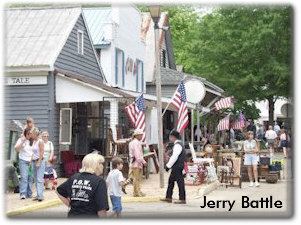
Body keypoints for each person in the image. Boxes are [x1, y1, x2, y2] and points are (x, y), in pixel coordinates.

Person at [57, 153, 109, 217]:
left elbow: (59, 191)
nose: (103, 166)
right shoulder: (99, 182)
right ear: (96, 165)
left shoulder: (74, 177)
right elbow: (101, 209)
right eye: (101, 164)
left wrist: (71, 205)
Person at [161, 130, 186, 204]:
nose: (169, 138)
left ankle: (182, 198)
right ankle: (168, 197)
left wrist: (168, 166)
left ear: (173, 137)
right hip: (177, 166)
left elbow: (174, 156)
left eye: (170, 137)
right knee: (171, 181)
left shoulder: (177, 145)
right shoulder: (179, 144)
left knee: (180, 182)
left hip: (177, 166)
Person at [14, 128, 33, 199]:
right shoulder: (21, 140)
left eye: (31, 134)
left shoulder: (33, 141)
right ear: (25, 134)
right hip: (23, 161)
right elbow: (16, 149)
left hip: (31, 161)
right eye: (28, 134)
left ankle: (29, 194)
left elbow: (34, 152)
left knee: (30, 178)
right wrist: (22, 141)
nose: (29, 135)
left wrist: (32, 160)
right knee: (24, 177)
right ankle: (23, 194)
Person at [128, 129, 147, 197]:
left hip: (135, 162)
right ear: (137, 135)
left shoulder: (133, 142)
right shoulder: (136, 143)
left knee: (137, 178)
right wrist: (143, 161)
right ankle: (137, 192)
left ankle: (137, 191)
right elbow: (137, 154)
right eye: (141, 135)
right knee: (137, 178)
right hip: (136, 162)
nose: (142, 136)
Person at [31, 127, 45, 201]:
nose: (31, 135)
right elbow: (33, 153)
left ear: (35, 134)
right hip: (34, 161)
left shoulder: (40, 141)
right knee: (36, 179)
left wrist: (39, 162)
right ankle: (38, 194)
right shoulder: (34, 141)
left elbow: (42, 152)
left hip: (40, 161)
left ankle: (40, 196)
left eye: (32, 133)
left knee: (39, 179)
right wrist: (31, 161)